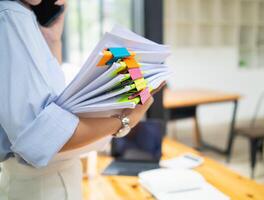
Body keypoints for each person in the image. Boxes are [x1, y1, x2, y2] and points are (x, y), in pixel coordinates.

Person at [0, 0, 161, 199]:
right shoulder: (11, 15)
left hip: (51, 180)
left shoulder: (23, 17)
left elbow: (51, 99)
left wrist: (52, 41)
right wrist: (125, 121)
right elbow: (41, 138)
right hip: (41, 186)